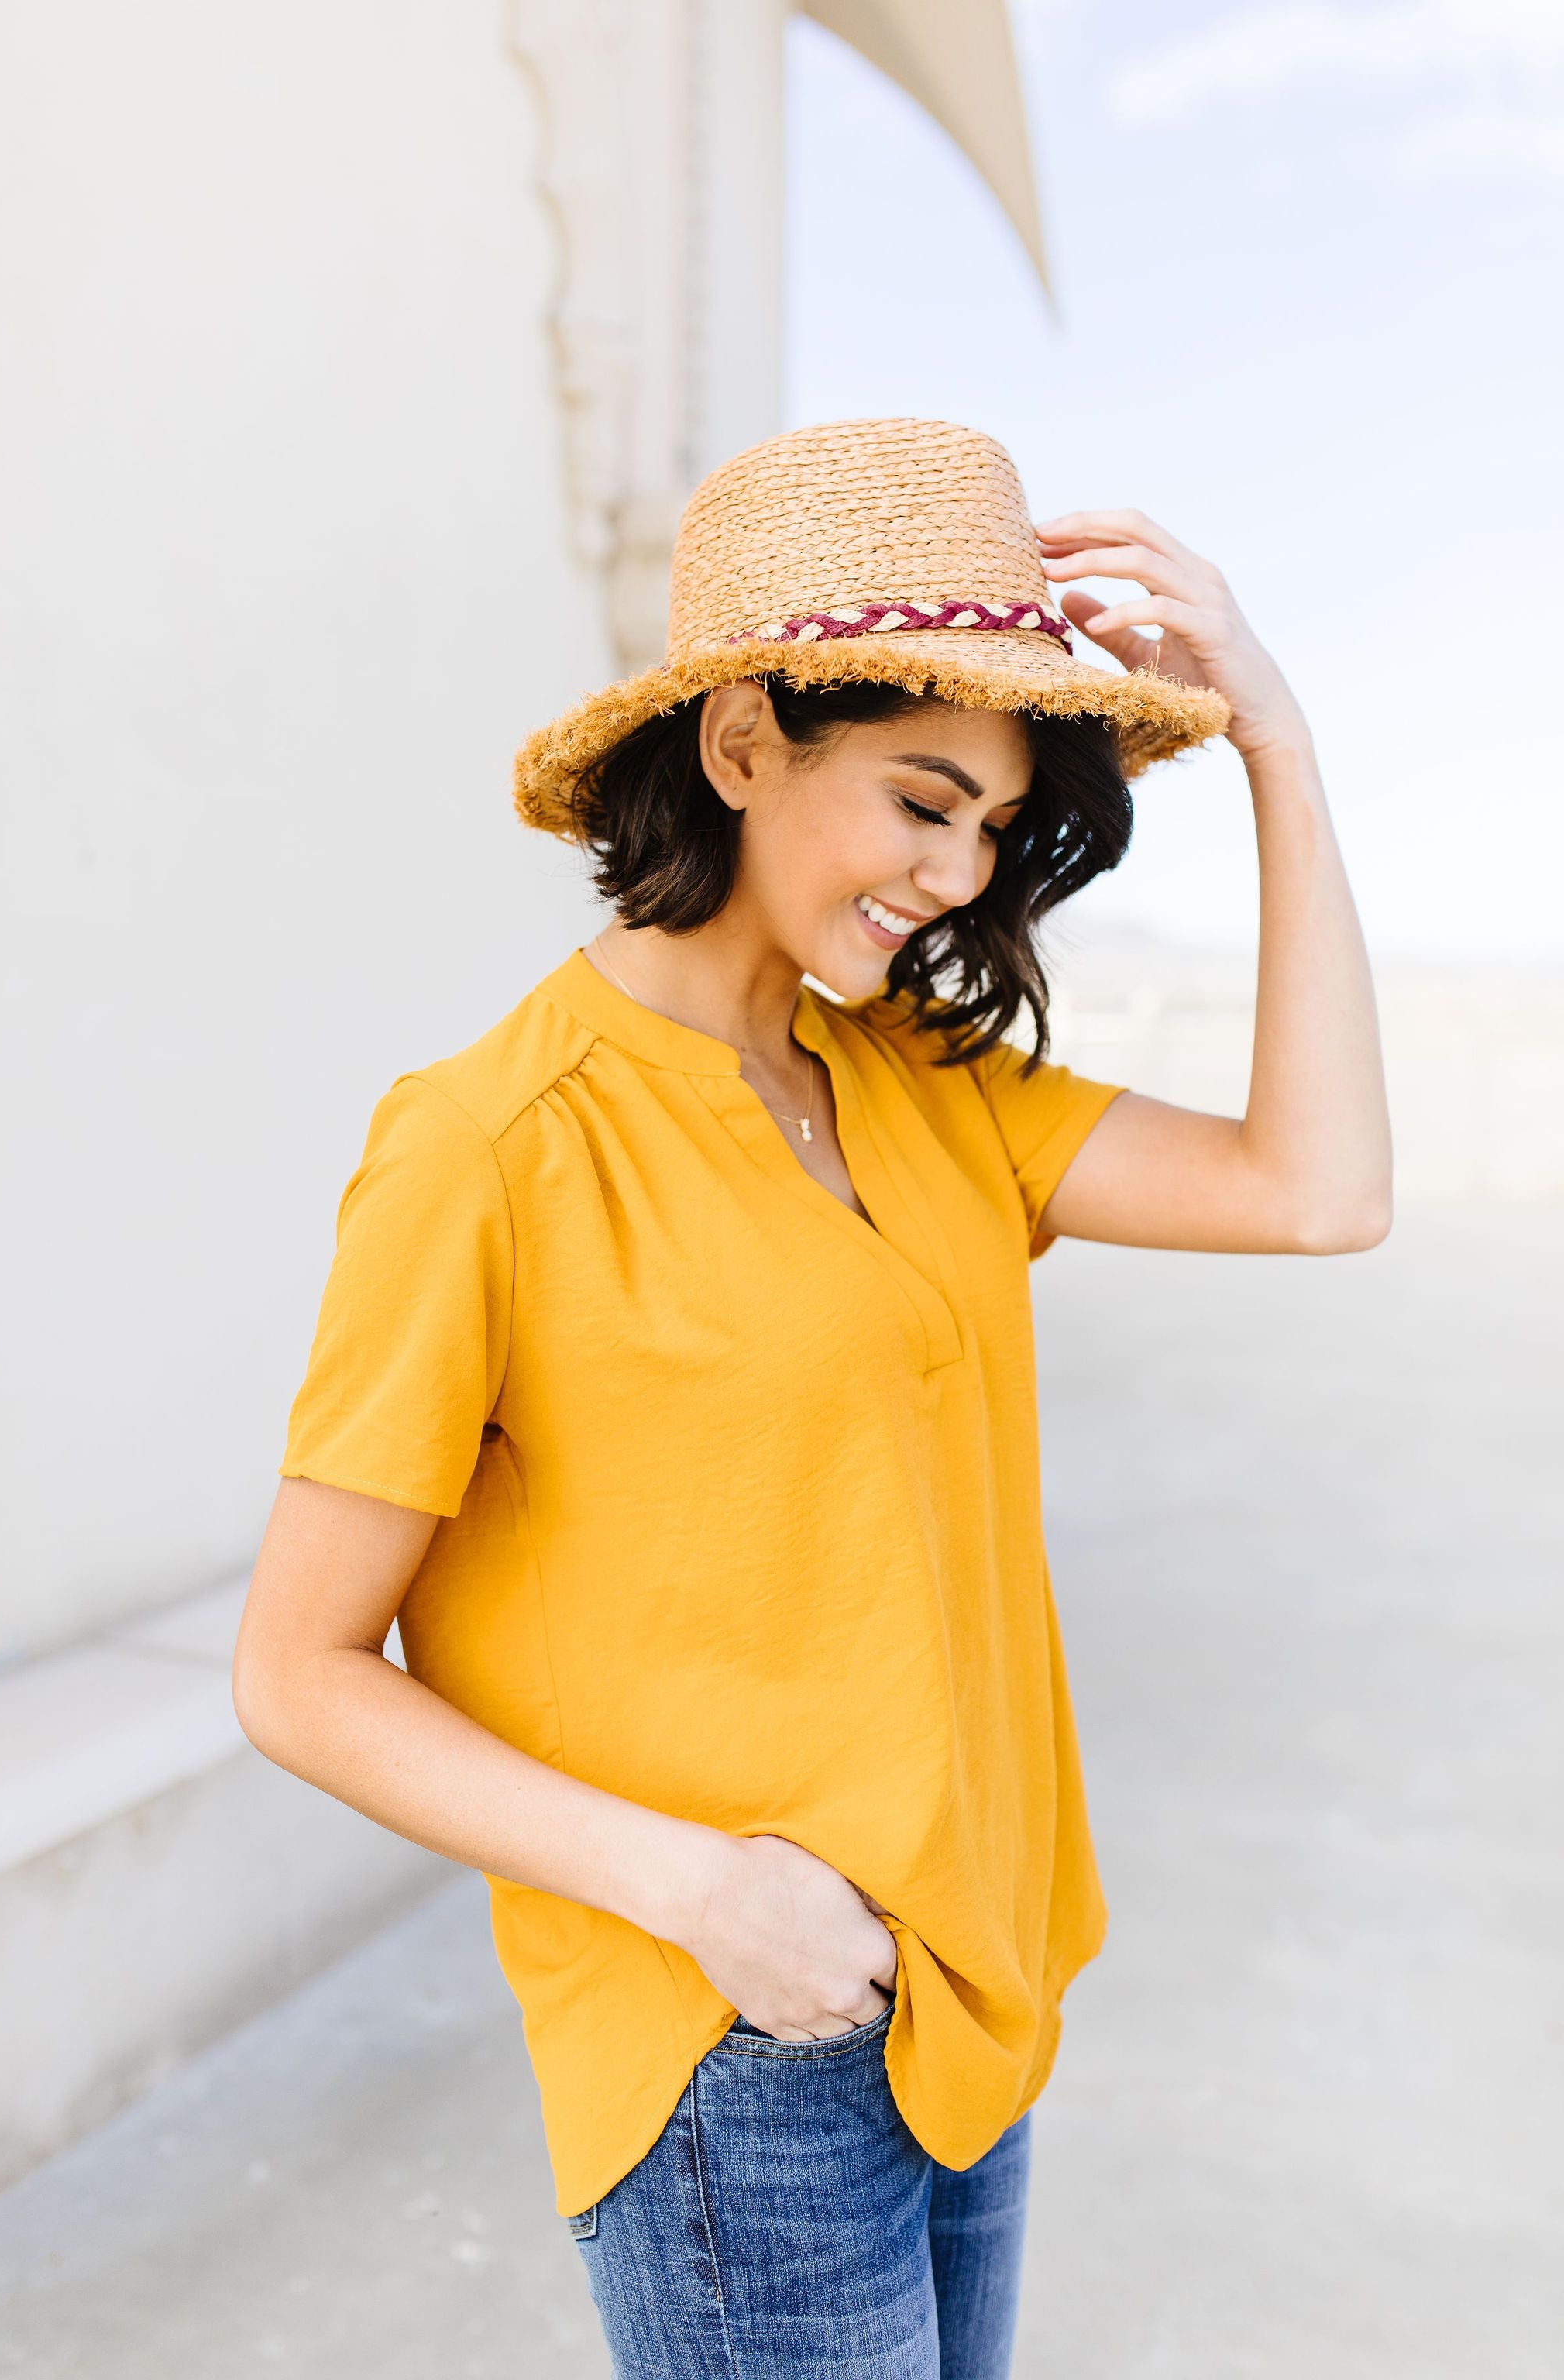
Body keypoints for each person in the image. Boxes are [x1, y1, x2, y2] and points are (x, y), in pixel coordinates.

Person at [233, 417, 1390, 2378]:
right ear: (747, 742)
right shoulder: (489, 1144)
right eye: (920, 800)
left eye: (992, 833)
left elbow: (1319, 1191)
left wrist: (1278, 748)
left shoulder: (928, 1092)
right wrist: (706, 1899)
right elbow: (298, 1670)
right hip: (734, 2036)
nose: (952, 877)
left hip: (973, 1997)